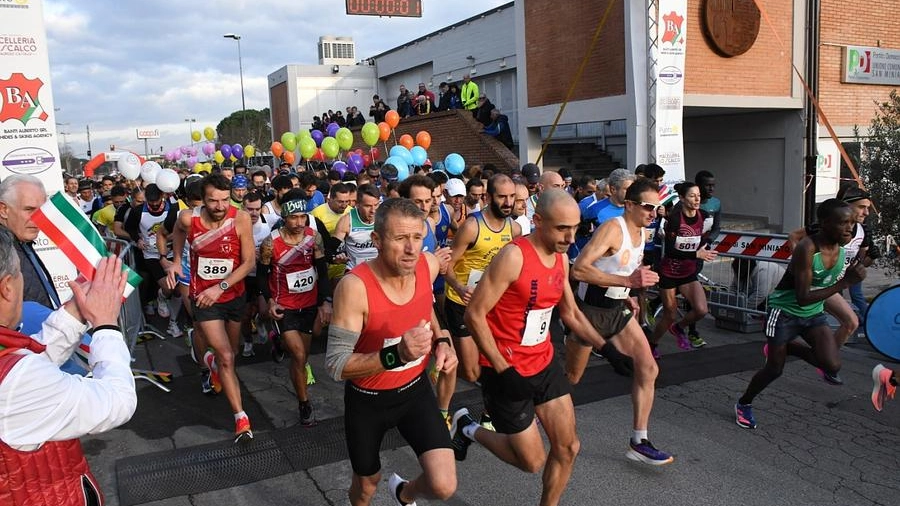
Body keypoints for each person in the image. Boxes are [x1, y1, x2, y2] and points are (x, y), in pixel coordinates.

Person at [450, 190, 633, 506]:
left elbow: (571, 312)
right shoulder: (513, 257)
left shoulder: (561, 258)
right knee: (531, 462)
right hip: (505, 369)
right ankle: (469, 428)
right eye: (562, 228)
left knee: (568, 447)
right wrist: (503, 369)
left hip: (543, 362)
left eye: (574, 228)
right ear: (537, 221)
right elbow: (474, 314)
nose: (570, 236)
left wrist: (609, 350)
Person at [325, 198, 458, 506]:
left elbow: (426, 305)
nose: (411, 249)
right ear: (377, 240)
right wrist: (395, 355)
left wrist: (443, 341)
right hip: (368, 402)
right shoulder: (354, 287)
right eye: (400, 239)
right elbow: (335, 364)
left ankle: (404, 493)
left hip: (415, 392)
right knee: (367, 487)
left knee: (444, 484)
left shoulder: (428, 265)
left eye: (417, 237)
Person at [0, 244, 136, 506]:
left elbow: (29, 363)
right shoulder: (18, 381)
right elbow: (118, 402)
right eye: (19, 273)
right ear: (7, 287)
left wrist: (75, 312)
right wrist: (106, 324)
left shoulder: (17, 374)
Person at [567, 178, 674, 464]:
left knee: (648, 367)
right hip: (589, 310)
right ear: (629, 205)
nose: (654, 213)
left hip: (617, 309)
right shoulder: (613, 229)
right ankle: (541, 407)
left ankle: (639, 440)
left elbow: (625, 267)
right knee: (572, 378)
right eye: (648, 207)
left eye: (657, 207)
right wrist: (625, 280)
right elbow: (579, 270)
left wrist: (628, 292)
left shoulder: (642, 232)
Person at [734, 199, 865, 429]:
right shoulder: (807, 248)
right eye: (844, 223)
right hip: (784, 313)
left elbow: (823, 288)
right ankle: (744, 403)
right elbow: (803, 296)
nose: (849, 228)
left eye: (852, 223)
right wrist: (845, 283)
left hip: (813, 314)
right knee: (775, 369)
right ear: (825, 224)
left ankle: (790, 347)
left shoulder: (842, 250)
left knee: (831, 365)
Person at [168, 174, 257, 443]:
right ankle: (241, 418)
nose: (219, 206)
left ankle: (208, 360)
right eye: (213, 201)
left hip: (233, 295)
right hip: (203, 298)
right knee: (227, 357)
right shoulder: (188, 219)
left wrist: (221, 286)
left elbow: (249, 262)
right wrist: (175, 261)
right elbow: (176, 232)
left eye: (224, 200)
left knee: (232, 354)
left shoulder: (240, 218)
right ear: (202, 200)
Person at [258, 190, 331, 426]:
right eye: (294, 217)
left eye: (303, 217)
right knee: (299, 356)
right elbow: (261, 275)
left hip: (309, 304)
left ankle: (277, 342)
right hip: (285, 306)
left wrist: (324, 302)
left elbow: (322, 271)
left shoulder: (314, 238)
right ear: (285, 218)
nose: (299, 222)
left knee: (307, 349)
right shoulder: (271, 243)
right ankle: (304, 403)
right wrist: (269, 300)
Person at [649, 182, 718, 352]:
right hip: (669, 273)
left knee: (701, 310)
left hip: (688, 272)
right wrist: (696, 254)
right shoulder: (674, 218)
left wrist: (704, 246)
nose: (696, 199)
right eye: (692, 195)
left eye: (698, 196)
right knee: (669, 315)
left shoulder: (703, 215)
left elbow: (700, 239)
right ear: (682, 198)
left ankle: (679, 328)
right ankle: (652, 345)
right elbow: (671, 250)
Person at [0, 175, 62, 309]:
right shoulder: (4, 250)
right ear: (4, 210)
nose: (38, 218)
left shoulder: (21, 242)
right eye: (29, 209)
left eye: (42, 211)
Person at [333, 184, 381, 272]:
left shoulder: (384, 217)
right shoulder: (347, 221)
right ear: (357, 204)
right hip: (355, 271)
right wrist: (337, 258)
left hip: (379, 271)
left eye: (376, 205)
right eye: (367, 206)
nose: (373, 210)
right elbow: (330, 250)